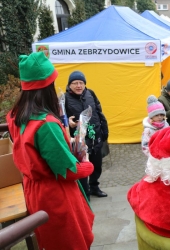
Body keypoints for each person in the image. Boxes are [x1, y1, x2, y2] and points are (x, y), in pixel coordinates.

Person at [6, 52, 94, 249]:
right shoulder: (45, 124)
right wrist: (87, 164)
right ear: (47, 86)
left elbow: (34, 151)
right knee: (70, 242)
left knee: (50, 240)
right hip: (55, 193)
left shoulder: (14, 115)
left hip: (33, 190)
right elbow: (68, 171)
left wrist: (63, 142)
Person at [65, 70, 109, 199]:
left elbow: (99, 112)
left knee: (97, 164)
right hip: (79, 139)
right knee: (83, 165)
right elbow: (60, 118)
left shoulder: (90, 94)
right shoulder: (65, 99)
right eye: (75, 83)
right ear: (70, 85)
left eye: (81, 83)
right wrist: (69, 122)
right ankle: (84, 192)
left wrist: (104, 130)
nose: (78, 86)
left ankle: (94, 186)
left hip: (95, 135)